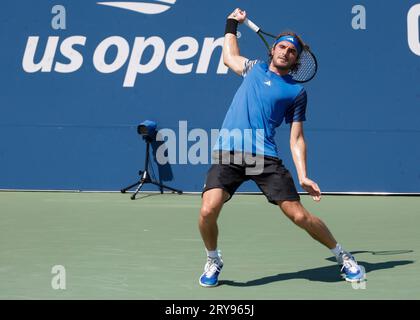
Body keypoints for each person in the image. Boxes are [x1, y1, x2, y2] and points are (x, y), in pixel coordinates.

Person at [197, 8, 365, 287]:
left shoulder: (296, 92)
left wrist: (303, 175)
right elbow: (229, 57)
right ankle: (213, 258)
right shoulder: (253, 69)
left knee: (298, 215)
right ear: (273, 48)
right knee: (207, 210)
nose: (286, 52)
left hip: (264, 157)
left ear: (296, 59)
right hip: (229, 153)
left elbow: (296, 137)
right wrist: (230, 23)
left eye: (292, 51)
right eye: (283, 46)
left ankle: (342, 255)